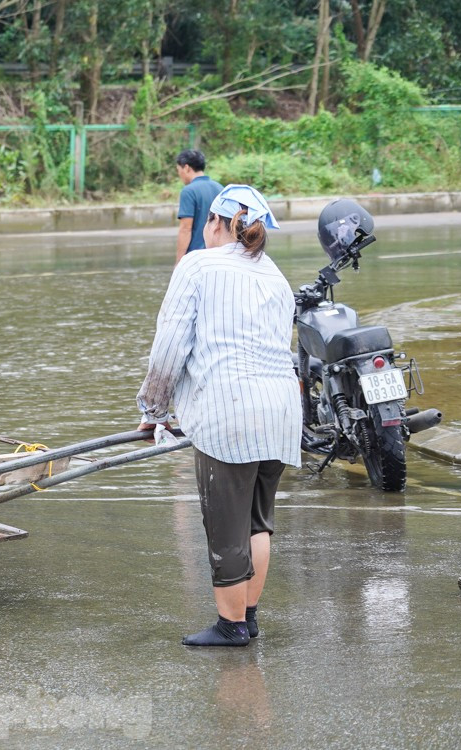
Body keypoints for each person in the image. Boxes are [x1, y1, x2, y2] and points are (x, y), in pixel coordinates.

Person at [136, 183, 300, 646]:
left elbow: (169, 348)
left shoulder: (197, 265)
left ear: (220, 223)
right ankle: (248, 618)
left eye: (209, 222)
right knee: (256, 520)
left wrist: (154, 410)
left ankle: (231, 628)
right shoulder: (275, 276)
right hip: (282, 411)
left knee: (224, 521)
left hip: (229, 411)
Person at [174, 149, 223, 264]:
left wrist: (179, 262)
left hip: (196, 258)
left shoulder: (189, 191)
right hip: (219, 255)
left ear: (186, 168)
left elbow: (186, 229)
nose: (179, 174)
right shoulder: (220, 188)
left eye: (178, 170)